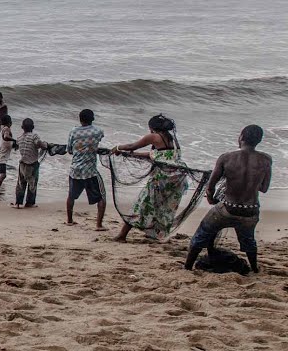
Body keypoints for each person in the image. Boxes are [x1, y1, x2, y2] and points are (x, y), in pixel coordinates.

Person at [185, 125, 272, 274]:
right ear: (259, 140)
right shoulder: (266, 160)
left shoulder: (226, 157)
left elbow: (210, 186)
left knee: (201, 234)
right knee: (249, 241)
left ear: (241, 137)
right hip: (250, 212)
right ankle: (255, 268)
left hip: (227, 209)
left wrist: (212, 199)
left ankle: (187, 266)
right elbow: (264, 188)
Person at [112, 114, 189, 242]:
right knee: (163, 207)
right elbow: (159, 155)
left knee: (141, 204)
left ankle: (122, 235)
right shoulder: (172, 138)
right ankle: (154, 234)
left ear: (152, 127)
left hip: (161, 179)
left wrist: (118, 148)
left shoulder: (154, 136)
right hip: (176, 180)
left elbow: (133, 145)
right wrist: (133, 155)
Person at [66, 108, 107, 230]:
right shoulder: (98, 131)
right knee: (101, 197)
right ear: (92, 119)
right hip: (90, 171)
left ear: (80, 119)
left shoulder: (73, 132)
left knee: (71, 196)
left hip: (75, 170)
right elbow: (99, 139)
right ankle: (99, 225)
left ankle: (69, 220)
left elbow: (69, 150)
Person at [13, 118, 49, 208]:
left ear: (22, 127)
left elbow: (16, 147)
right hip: (32, 165)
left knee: (21, 184)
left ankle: (18, 202)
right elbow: (39, 144)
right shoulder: (34, 136)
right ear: (33, 127)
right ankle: (30, 203)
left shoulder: (19, 138)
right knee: (32, 184)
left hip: (22, 164)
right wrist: (45, 145)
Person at [0, 114, 15, 199]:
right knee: (3, 175)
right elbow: (6, 137)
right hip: (2, 156)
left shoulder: (2, 130)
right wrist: (14, 140)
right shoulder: (7, 129)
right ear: (10, 123)